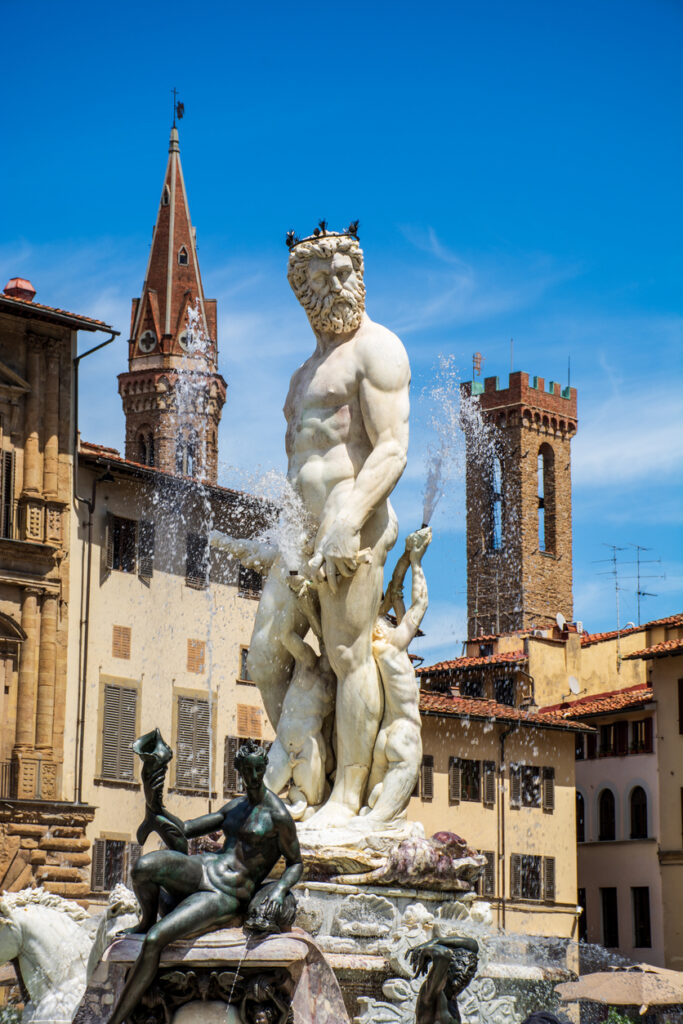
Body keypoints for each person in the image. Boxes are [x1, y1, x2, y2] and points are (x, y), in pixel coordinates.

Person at [246, 228, 411, 828]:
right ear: (302, 290)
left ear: (359, 274)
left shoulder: (379, 349)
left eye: (343, 271)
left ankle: (346, 796)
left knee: (346, 654)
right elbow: (296, 466)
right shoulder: (299, 377)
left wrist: (348, 515)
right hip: (301, 530)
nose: (335, 284)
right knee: (265, 656)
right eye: (320, 278)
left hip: (355, 519)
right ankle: (301, 776)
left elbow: (392, 449)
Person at [108, 740, 302, 1024]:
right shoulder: (235, 807)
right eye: (247, 770)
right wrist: (153, 797)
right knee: (142, 867)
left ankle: (115, 1020)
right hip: (203, 868)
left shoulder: (278, 815)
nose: (252, 777)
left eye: (258, 770)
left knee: (154, 941)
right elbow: (184, 830)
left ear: (264, 768)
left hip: (226, 893)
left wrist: (281, 889)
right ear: (238, 769)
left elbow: (296, 863)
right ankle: (147, 918)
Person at [361, 526, 431, 825]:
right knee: (380, 821)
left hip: (383, 737)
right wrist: (417, 562)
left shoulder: (371, 643)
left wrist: (405, 554)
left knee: (368, 808)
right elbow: (420, 604)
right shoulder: (393, 643)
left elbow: (395, 591)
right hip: (404, 733)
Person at [409, 936, 480, 1024]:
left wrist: (439, 940)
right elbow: (443, 954)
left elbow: (473, 945)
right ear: (447, 970)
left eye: (466, 979)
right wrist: (428, 948)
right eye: (457, 976)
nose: (459, 986)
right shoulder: (432, 992)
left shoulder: (451, 998)